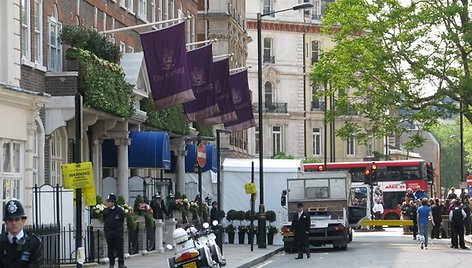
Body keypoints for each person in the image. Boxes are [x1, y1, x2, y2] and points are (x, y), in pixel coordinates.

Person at [0, 199, 42, 267]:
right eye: (10, 220)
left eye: (17, 219)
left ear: (23, 220)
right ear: (6, 222)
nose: (14, 223)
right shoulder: (1, 242)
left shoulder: (34, 243)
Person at [103, 193, 127, 268]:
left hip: (118, 232)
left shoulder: (119, 210)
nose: (107, 203)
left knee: (119, 248)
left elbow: (122, 219)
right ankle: (111, 263)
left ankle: (121, 264)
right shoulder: (105, 211)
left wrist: (120, 230)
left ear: (113, 202)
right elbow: (105, 220)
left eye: (109, 201)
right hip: (109, 233)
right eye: (107, 201)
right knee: (110, 249)